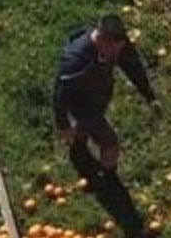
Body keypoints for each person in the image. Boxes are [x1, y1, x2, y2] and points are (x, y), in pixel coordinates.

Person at [52, 14, 158, 187]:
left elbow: (131, 64)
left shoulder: (115, 44)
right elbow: (60, 95)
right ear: (103, 39)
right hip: (83, 105)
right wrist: (63, 125)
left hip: (97, 97)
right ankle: (109, 180)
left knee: (83, 127)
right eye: (116, 49)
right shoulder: (76, 61)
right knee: (110, 144)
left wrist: (149, 95)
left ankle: (78, 146)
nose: (119, 53)